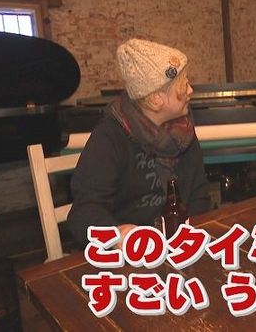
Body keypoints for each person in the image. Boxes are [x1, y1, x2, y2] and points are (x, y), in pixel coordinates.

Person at [67, 39, 211, 246]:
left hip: (180, 247)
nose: (190, 90)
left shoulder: (183, 131)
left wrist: (190, 240)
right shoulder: (110, 137)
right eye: (183, 85)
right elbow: (85, 213)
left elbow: (199, 197)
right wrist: (117, 235)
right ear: (156, 99)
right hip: (130, 254)